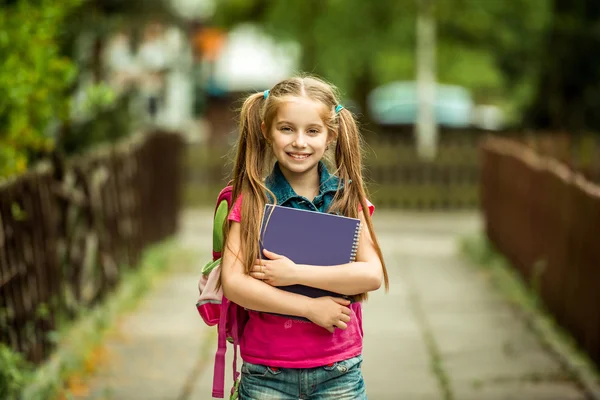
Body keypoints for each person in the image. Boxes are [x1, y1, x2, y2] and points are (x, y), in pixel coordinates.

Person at [220, 75, 389, 400]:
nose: (300, 141)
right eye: (287, 129)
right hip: (266, 372)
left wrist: (294, 274)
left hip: (338, 370)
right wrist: (310, 308)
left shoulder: (346, 199)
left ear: (330, 136)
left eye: (312, 131)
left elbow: (371, 274)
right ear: (267, 131)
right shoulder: (253, 200)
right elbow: (234, 282)